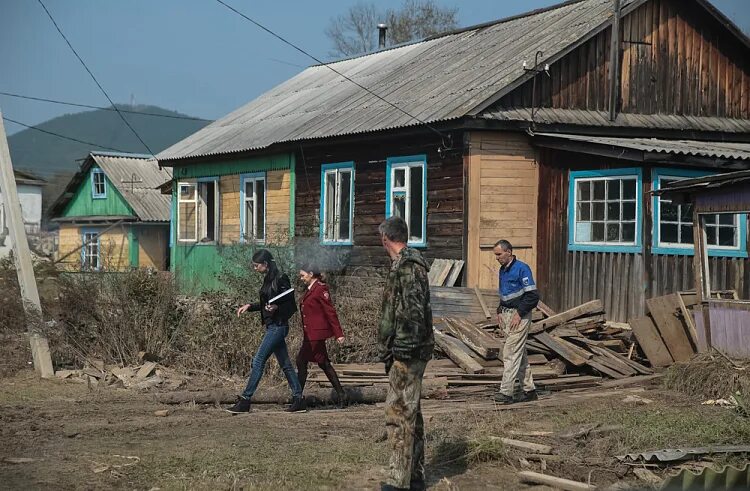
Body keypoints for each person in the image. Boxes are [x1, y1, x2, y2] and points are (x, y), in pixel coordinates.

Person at [377, 216, 434, 491]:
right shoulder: (406, 265)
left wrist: (400, 349)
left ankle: (398, 481)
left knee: (398, 412)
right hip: (407, 348)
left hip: (408, 350)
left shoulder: (408, 268)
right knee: (412, 411)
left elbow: (412, 315)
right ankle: (414, 476)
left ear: (385, 238)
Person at [227, 249, 305, 413]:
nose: (255, 268)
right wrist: (250, 306)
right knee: (286, 365)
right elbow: (266, 303)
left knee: (258, 360)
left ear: (266, 264)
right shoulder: (268, 280)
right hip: (272, 326)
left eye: (257, 266)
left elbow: (290, 305)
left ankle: (246, 400)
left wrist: (277, 307)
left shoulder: (281, 279)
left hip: (278, 326)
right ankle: (299, 398)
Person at [492, 239, 540, 405]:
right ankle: (529, 390)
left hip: (519, 316)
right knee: (520, 354)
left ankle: (506, 392)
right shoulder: (503, 270)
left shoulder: (522, 269)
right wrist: (499, 310)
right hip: (507, 315)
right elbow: (505, 294)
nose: (497, 258)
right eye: (495, 255)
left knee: (510, 352)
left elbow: (533, 296)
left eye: (499, 254)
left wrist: (519, 314)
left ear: (509, 252)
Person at [295, 264, 347, 408]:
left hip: (316, 334)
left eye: (302, 275)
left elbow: (330, 312)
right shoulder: (310, 290)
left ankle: (297, 398)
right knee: (323, 363)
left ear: (311, 274)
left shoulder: (320, 289)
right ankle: (342, 395)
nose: (301, 278)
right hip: (310, 333)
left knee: (301, 361)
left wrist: (339, 333)